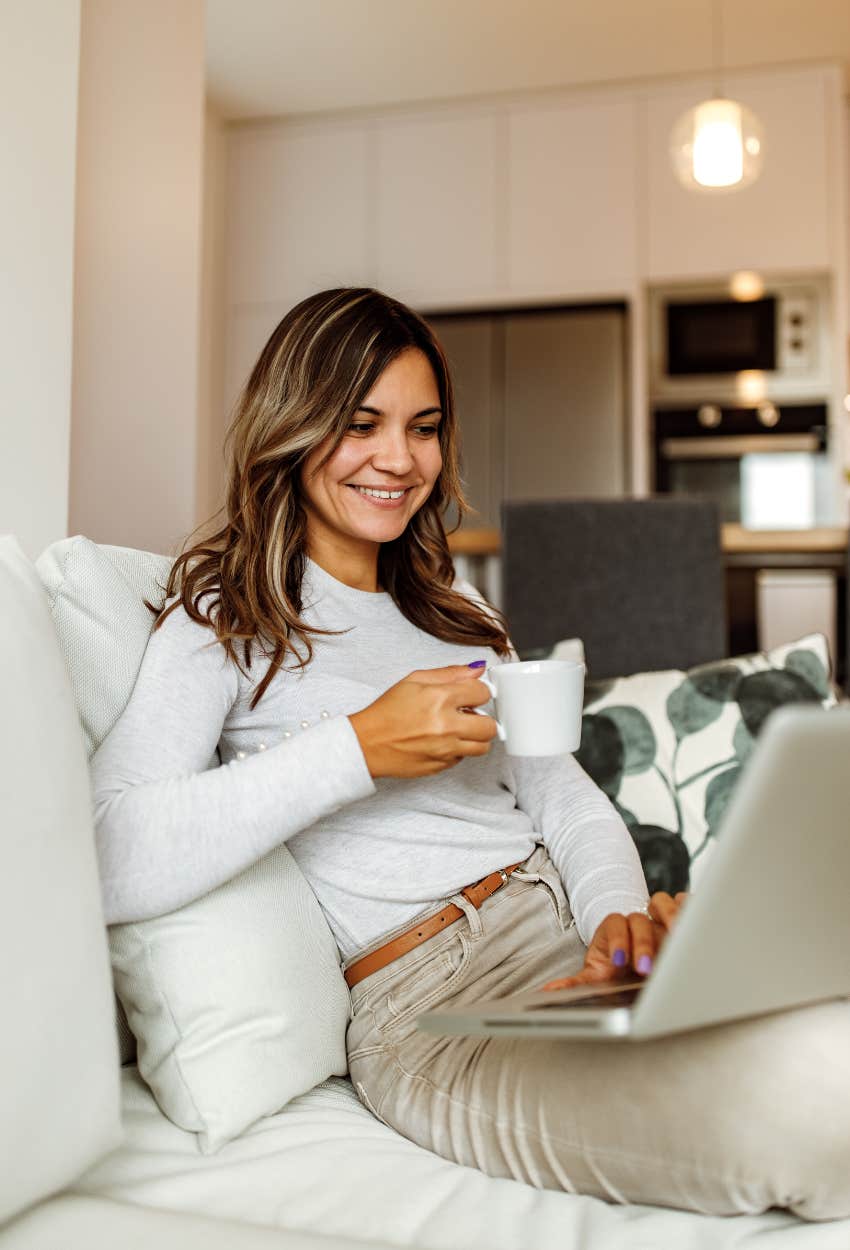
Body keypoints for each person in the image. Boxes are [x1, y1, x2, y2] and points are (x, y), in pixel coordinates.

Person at [90, 287, 850, 1219]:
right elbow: (110, 852)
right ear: (292, 429)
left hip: (568, 948)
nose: (399, 460)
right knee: (818, 1099)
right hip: (437, 1012)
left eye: (424, 427)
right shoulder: (229, 620)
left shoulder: (461, 618)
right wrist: (358, 748)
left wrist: (617, 920)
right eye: (360, 424)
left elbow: (562, 798)